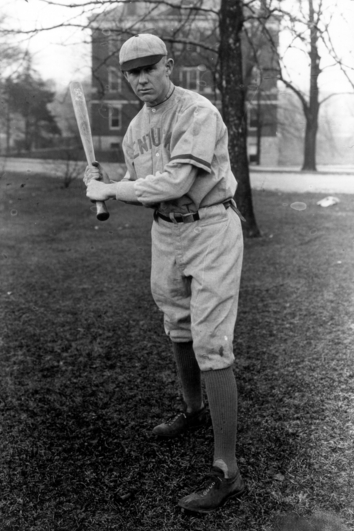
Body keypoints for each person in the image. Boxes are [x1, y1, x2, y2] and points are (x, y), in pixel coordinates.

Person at [84, 33, 245, 513]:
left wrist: (112, 190)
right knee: (176, 324)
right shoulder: (134, 130)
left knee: (211, 343)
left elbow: (177, 181)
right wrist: (104, 181)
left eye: (149, 69)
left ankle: (227, 471)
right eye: (133, 73)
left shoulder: (197, 112)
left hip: (212, 226)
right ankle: (193, 411)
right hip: (167, 232)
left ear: (168, 66)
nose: (141, 79)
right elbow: (147, 191)